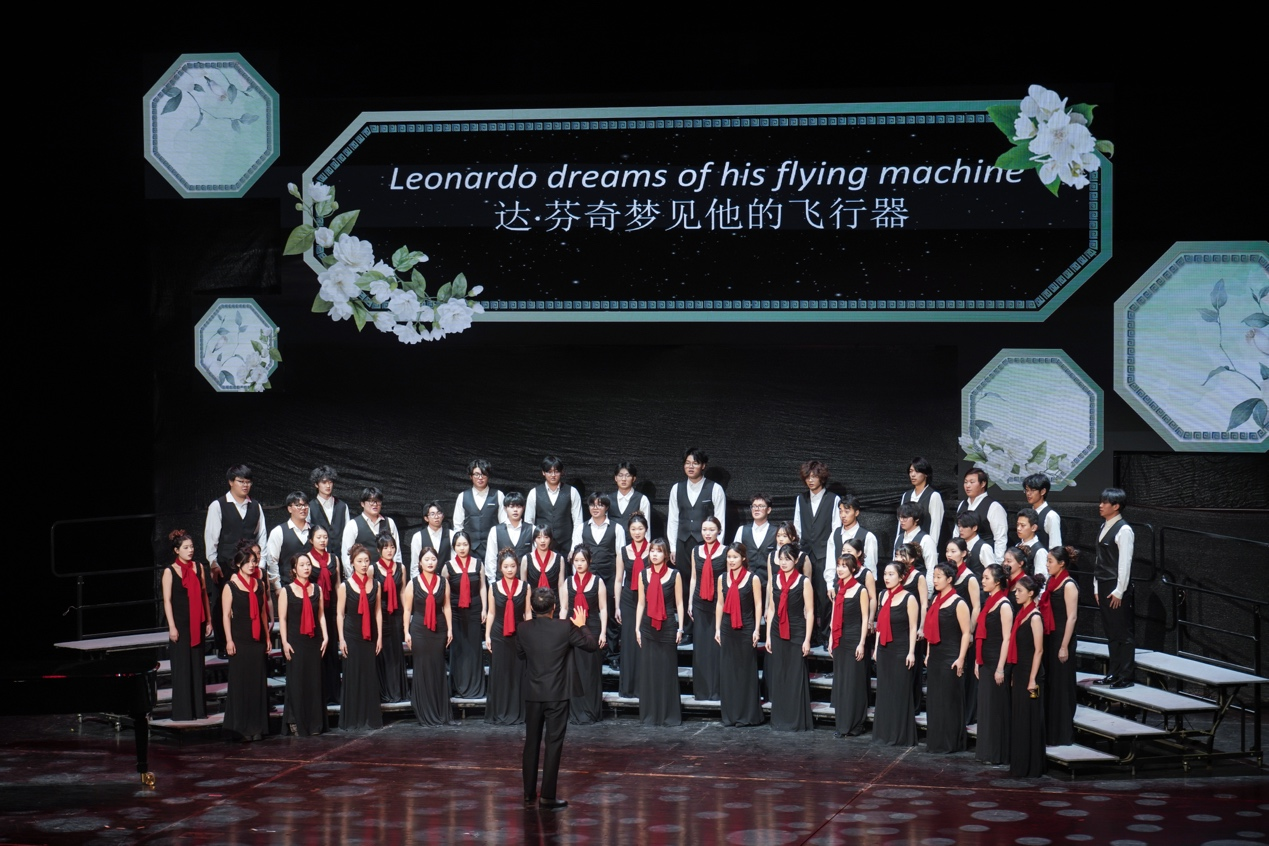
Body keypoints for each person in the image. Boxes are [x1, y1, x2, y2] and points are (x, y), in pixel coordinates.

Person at [517, 587, 599, 810]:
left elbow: (520, 654)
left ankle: (528, 793)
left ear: (532, 607)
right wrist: (582, 625)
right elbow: (591, 645)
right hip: (557, 694)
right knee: (553, 744)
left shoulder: (523, 628)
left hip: (533, 693)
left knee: (531, 742)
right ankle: (547, 796)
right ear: (554, 607)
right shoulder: (565, 627)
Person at [204, 464, 267, 656]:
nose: (245, 485)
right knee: (223, 605)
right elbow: (211, 537)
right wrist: (213, 563)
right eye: (241, 481)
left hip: (250, 565)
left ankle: (250, 642)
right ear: (231, 482)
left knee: (251, 604)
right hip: (226, 564)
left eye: (248, 482)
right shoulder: (218, 505)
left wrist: (261, 564)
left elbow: (262, 536)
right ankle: (223, 645)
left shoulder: (255, 506)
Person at [161, 529, 213, 722]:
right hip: (181, 624)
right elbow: (167, 601)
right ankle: (183, 712)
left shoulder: (198, 567)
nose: (190, 550)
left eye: (191, 547)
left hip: (197, 621)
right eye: (186, 547)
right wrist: (172, 627)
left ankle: (198, 710)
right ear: (177, 550)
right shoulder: (169, 571)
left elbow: (204, 594)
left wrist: (208, 620)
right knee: (182, 667)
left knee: (197, 666)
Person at [222, 542, 271, 741]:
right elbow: (226, 615)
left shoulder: (260, 585)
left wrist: (267, 637)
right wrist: (229, 640)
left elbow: (263, 613)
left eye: (254, 561)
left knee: (257, 683)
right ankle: (241, 728)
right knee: (241, 683)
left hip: (257, 639)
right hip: (240, 639)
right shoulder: (231, 586)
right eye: (248, 562)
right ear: (239, 564)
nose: (252, 565)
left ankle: (257, 727)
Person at [764, 544, 815, 731]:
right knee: (779, 674)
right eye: (781, 559)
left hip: (797, 631)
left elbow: (810, 612)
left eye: (788, 559)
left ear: (796, 560)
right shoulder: (775, 579)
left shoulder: (803, 581)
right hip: (777, 631)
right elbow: (771, 609)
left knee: (795, 674)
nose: (784, 563)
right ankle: (780, 719)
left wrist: (807, 639)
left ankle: (795, 720)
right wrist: (768, 636)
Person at [278, 552, 328, 736]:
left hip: (314, 640)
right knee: (297, 681)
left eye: (308, 564)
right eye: (302, 565)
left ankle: (314, 723)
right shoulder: (287, 591)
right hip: (295, 641)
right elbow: (282, 619)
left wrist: (326, 636)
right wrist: (284, 642)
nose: (306, 568)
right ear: (294, 569)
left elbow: (321, 615)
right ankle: (295, 720)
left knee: (314, 681)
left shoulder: (317, 589)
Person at [923, 562, 971, 753]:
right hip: (935, 655)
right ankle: (936, 741)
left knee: (949, 700)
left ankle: (951, 742)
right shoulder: (935, 599)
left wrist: (961, 658)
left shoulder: (959, 603)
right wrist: (928, 653)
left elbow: (966, 633)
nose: (935, 580)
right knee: (935, 700)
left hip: (951, 656)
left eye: (939, 577)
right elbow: (929, 629)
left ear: (949, 579)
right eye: (934, 577)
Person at [635, 538, 684, 726]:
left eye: (659, 551)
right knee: (649, 671)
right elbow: (641, 603)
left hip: (668, 625)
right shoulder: (643, 574)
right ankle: (651, 714)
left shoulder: (674, 575)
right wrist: (637, 628)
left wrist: (680, 627)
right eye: (652, 551)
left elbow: (679, 603)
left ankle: (668, 715)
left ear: (666, 554)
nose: (655, 554)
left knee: (667, 670)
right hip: (648, 626)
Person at [403, 546, 454, 726]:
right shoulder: (413, 583)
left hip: (439, 629)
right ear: (420, 562)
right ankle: (424, 710)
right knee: (422, 667)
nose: (430, 562)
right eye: (426, 559)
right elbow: (407, 609)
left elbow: (446, 606)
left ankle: (439, 711)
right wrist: (406, 632)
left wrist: (450, 629)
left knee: (437, 667)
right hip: (419, 629)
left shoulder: (443, 582)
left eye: (433, 559)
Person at [714, 541, 763, 727]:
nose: (731, 560)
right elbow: (720, 603)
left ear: (743, 558)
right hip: (727, 628)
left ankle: (747, 715)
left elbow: (758, 604)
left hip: (746, 627)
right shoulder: (722, 578)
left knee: (745, 671)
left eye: (735, 557)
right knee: (729, 671)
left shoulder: (752, 579)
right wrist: (717, 628)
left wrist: (757, 629)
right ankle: (730, 714)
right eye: (729, 557)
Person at [873, 560, 919, 747]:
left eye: (891, 574)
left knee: (899, 691)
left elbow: (913, 627)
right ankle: (884, 733)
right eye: (885, 574)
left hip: (901, 650)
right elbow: (879, 625)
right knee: (884, 691)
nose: (886, 577)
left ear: (901, 577)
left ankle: (899, 735)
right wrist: (876, 648)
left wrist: (911, 652)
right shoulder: (882, 595)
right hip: (884, 649)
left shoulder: (909, 598)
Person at [793, 460, 839, 645]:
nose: (810, 480)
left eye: (814, 476)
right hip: (805, 553)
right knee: (804, 595)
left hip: (824, 554)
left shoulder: (833, 499)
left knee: (824, 596)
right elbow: (797, 527)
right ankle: (809, 635)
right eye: (807, 477)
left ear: (822, 477)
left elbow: (836, 529)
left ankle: (825, 635)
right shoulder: (801, 499)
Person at [337, 544, 383, 730]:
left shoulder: (376, 584)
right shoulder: (345, 586)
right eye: (360, 561)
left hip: (370, 634)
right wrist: (341, 639)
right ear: (352, 563)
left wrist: (379, 637)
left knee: (369, 675)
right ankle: (353, 719)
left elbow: (378, 611)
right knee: (353, 675)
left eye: (366, 561)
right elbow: (340, 614)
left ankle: (370, 718)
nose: (364, 565)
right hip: (352, 634)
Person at [1094, 488, 1136, 688]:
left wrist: (1120, 590)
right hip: (1103, 584)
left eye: (1105, 502)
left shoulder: (1124, 530)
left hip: (1116, 586)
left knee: (1123, 632)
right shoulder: (1104, 526)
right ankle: (1113, 672)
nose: (1100, 506)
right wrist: (1096, 587)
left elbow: (1124, 563)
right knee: (1111, 631)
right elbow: (1099, 559)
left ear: (1116, 506)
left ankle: (1126, 676)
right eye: (1101, 501)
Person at [485, 548, 530, 725]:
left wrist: (530, 636)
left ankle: (518, 711)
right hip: (499, 635)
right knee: (501, 673)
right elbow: (491, 613)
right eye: (506, 566)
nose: (510, 569)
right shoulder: (494, 587)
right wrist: (487, 635)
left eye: (512, 566)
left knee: (518, 673)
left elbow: (528, 613)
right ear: (500, 568)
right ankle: (500, 711)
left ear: (517, 567)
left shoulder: (525, 587)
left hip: (519, 635)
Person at [563, 546, 607, 724]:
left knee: (590, 671)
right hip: (572, 630)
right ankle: (576, 711)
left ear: (589, 562)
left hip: (592, 628)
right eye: (576, 561)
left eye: (582, 560)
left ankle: (591, 710)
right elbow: (564, 608)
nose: (579, 564)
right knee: (575, 671)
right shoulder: (568, 582)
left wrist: (603, 632)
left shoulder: (597, 581)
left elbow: (603, 608)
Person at [974, 563, 1013, 765]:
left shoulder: (1004, 605)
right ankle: (986, 752)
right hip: (985, 660)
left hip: (997, 661)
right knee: (986, 708)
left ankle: (997, 753)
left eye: (986, 578)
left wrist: (1000, 668)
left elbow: (1007, 639)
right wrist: (977, 661)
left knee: (996, 708)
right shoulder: (989, 601)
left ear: (997, 582)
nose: (983, 581)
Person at [828, 552, 869, 737]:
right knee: (841, 681)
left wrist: (861, 643)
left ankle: (855, 723)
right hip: (840, 638)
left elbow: (865, 619)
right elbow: (834, 616)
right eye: (839, 565)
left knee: (853, 681)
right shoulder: (838, 588)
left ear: (853, 569)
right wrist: (831, 638)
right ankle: (842, 723)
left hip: (854, 638)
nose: (840, 569)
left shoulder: (861, 590)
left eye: (844, 566)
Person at [666, 446, 727, 571]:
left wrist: (718, 548)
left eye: (695, 463)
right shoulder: (676, 488)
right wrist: (673, 547)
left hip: (705, 543)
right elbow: (673, 519)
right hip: (682, 543)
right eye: (687, 463)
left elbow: (720, 520)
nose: (690, 467)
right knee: (683, 579)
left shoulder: (715, 489)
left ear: (703, 466)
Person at [1009, 574, 1046, 777]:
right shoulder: (1021, 614)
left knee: (1029, 718)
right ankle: (1020, 764)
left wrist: (1032, 679)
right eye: (1015, 591)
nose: (1016, 594)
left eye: (1020, 591)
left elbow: (1038, 651)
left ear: (1031, 593)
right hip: (1020, 671)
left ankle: (1032, 766)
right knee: (1020, 719)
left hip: (1032, 674)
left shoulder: (1035, 617)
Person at [1042, 546, 1080, 745]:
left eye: (1050, 561)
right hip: (1050, 637)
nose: (1047, 565)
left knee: (1062, 686)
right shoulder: (1051, 581)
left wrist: (1064, 646)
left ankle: (1062, 733)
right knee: (1051, 684)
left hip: (1062, 639)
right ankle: (1050, 730)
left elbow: (1071, 617)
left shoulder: (1068, 585)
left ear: (1062, 563)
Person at [446, 531, 487, 699]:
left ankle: (475, 688)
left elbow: (483, 587)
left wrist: (484, 608)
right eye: (458, 545)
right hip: (455, 612)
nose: (462, 548)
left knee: (474, 648)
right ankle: (459, 687)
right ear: (454, 547)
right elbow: (444, 592)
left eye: (465, 544)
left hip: (475, 609)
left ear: (470, 545)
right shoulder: (448, 566)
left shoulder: (478, 564)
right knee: (459, 649)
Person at [946, 537, 982, 724]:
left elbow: (976, 607)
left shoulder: (970, 578)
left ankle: (966, 714)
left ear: (964, 553)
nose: (949, 555)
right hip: (949, 630)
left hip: (964, 630)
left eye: (953, 551)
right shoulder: (947, 574)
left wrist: (970, 631)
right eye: (947, 551)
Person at [688, 515, 724, 701]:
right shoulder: (696, 550)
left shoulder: (726, 551)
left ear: (719, 531)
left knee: (716, 647)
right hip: (700, 603)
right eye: (704, 530)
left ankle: (717, 690)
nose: (707, 533)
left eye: (711, 530)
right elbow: (694, 577)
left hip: (719, 603)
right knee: (701, 648)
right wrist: (689, 602)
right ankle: (702, 691)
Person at [614, 512, 650, 698]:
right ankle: (629, 687)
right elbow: (619, 579)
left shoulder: (653, 549)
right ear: (629, 531)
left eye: (640, 529)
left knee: (645, 638)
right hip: (629, 597)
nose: (637, 532)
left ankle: (645, 686)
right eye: (634, 529)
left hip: (649, 598)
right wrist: (617, 605)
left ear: (646, 529)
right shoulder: (623, 551)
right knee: (629, 640)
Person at [307, 526, 343, 705]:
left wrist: (340, 610)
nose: (322, 540)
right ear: (311, 540)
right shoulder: (306, 559)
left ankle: (334, 694)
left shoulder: (334, 558)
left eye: (325, 537)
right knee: (317, 650)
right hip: (314, 610)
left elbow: (337, 585)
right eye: (318, 537)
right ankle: (319, 695)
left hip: (332, 609)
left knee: (332, 652)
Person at [374, 533, 407, 703]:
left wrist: (406, 614)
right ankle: (385, 692)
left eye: (392, 547)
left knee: (396, 652)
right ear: (379, 550)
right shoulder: (373, 569)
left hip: (396, 614)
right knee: (383, 653)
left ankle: (397, 691)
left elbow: (403, 592)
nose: (389, 550)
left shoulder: (401, 568)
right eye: (386, 547)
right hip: (381, 614)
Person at [525, 456, 583, 553]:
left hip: (566, 547)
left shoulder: (572, 492)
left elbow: (578, 522)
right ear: (543, 472)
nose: (553, 475)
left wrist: (574, 548)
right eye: (549, 472)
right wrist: (534, 547)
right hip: (541, 548)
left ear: (562, 472)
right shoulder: (534, 493)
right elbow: (529, 523)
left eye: (556, 471)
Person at [341, 487, 402, 576]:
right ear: (362, 504)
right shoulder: (353, 525)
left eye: (378, 501)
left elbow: (397, 553)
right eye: (371, 501)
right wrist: (354, 579)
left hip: (387, 575)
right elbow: (347, 557)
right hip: (363, 577)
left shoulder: (389, 522)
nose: (375, 504)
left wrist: (396, 574)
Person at [454, 459, 506, 562]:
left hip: (493, 548)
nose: (480, 478)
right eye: (477, 474)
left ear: (488, 475)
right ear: (471, 476)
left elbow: (504, 524)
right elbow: (458, 526)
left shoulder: (498, 495)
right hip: (470, 549)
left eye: (483, 474)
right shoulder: (462, 496)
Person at [956, 469, 1008, 560]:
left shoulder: (994, 506)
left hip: (985, 557)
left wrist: (998, 562)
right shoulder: (962, 504)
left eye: (972, 482)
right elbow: (956, 532)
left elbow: (1000, 538)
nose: (968, 485)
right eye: (965, 482)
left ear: (983, 484)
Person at [895, 457, 944, 552]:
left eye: (917, 471)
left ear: (925, 474)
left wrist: (931, 549)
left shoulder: (933, 496)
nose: (913, 475)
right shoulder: (906, 495)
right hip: (904, 548)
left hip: (923, 546)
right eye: (911, 471)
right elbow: (899, 526)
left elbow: (935, 526)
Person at [266, 492, 311, 592]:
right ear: (289, 508)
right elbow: (272, 561)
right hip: (287, 587)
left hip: (311, 587)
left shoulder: (315, 531)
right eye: (298, 505)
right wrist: (278, 587)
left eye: (305, 505)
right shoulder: (278, 531)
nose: (303, 508)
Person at [828, 495, 878, 583]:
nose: (843, 515)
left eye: (847, 512)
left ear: (856, 513)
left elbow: (871, 568)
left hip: (859, 585)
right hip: (838, 585)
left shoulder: (868, 536)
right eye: (840, 511)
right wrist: (830, 585)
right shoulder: (835, 534)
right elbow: (830, 564)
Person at [486, 491, 532, 582]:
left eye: (518, 506)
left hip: (525, 582)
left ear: (523, 508)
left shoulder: (531, 529)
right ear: (505, 508)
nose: (515, 510)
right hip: (501, 582)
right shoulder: (495, 530)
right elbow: (491, 559)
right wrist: (492, 583)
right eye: (511, 506)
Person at [309, 466, 352, 562]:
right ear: (316, 484)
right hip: (317, 560)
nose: (328, 486)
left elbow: (348, 535)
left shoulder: (342, 506)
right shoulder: (310, 507)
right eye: (324, 482)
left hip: (340, 557)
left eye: (330, 482)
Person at [896, 503, 938, 588]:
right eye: (900, 517)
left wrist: (928, 592)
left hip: (918, 587)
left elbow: (931, 569)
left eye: (905, 517)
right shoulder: (899, 538)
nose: (901, 520)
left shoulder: (926, 539)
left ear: (917, 519)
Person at [736, 494, 777, 576]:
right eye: (754, 506)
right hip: (746, 579)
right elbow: (735, 555)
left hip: (768, 579)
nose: (756, 509)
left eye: (761, 506)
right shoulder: (742, 530)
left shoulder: (776, 532)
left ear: (768, 510)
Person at [409, 500, 452, 579]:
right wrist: (417, 584)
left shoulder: (451, 534)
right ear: (426, 518)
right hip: (425, 582)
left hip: (447, 581)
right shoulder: (418, 537)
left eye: (439, 513)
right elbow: (415, 566)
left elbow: (454, 561)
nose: (436, 517)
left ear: (443, 516)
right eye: (432, 514)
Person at [523, 524, 567, 601]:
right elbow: (524, 587)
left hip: (554, 604)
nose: (542, 541)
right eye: (539, 537)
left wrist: (562, 606)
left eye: (546, 537)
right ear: (534, 539)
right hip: (533, 605)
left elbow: (561, 586)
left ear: (550, 539)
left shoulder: (559, 559)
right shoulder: (526, 559)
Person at [765, 522, 812, 592]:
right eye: (778, 536)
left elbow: (808, 584)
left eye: (784, 536)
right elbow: (770, 583)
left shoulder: (802, 557)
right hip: (776, 595)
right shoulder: (771, 556)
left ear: (793, 537)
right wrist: (767, 599)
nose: (780, 539)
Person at [1023, 472, 1063, 551]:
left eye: (1032, 490)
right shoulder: (1028, 513)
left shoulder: (1051, 516)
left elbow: (1055, 548)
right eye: (1027, 490)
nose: (1028, 494)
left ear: (1043, 491)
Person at [610, 462, 652, 533]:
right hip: (613, 539)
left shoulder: (642, 499)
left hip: (633, 540)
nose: (624, 479)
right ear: (615, 478)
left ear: (634, 478)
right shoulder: (608, 499)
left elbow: (646, 527)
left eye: (628, 475)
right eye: (620, 475)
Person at [955, 512, 997, 578]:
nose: (960, 529)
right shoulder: (958, 545)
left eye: (964, 526)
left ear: (974, 528)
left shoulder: (984, 548)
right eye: (959, 526)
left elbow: (992, 574)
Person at [1015, 508, 1048, 577]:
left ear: (1034, 528)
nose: (1018, 528)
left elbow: (1041, 579)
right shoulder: (1017, 545)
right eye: (1018, 525)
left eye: (1022, 525)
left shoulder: (1040, 551)